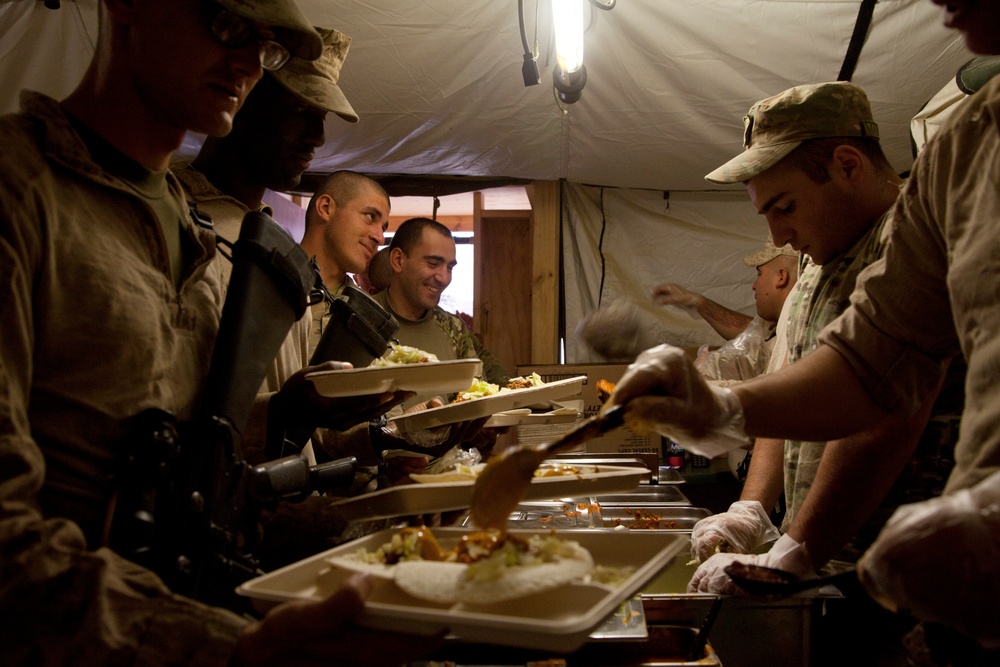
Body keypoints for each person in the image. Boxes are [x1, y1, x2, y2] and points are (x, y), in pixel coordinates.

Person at [0, 1, 442, 664]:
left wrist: (288, 413)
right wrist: (226, 646)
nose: (248, 66)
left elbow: (193, 453)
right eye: (228, 25)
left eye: (263, 45)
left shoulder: (194, 231)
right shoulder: (22, 190)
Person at [606, 0, 1000, 656]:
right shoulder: (961, 149)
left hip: (891, 551)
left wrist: (798, 544)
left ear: (848, 165)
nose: (777, 235)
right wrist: (731, 420)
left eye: (784, 207)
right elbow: (871, 366)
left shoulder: (896, 228)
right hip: (935, 574)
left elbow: (891, 414)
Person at [174, 27, 383, 462]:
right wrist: (284, 408)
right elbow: (162, 413)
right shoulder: (176, 221)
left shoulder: (283, 252)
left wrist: (392, 433)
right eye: (301, 110)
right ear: (242, 92)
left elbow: (304, 436)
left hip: (286, 513)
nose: (318, 137)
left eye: (321, 117)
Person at [374, 217, 511, 388]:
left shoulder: (453, 328)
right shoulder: (359, 321)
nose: (443, 278)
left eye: (449, 268)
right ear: (398, 260)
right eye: (433, 263)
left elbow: (476, 395)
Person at [656, 239, 799, 382]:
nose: (754, 286)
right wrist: (697, 302)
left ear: (781, 277)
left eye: (759, 274)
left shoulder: (797, 328)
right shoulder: (782, 320)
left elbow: (777, 389)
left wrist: (709, 386)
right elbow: (753, 334)